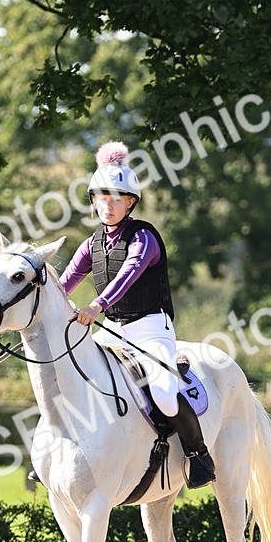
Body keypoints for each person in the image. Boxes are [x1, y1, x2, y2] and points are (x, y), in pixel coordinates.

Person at [58, 141, 216, 489]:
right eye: (103, 198)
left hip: (150, 329)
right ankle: (56, 453)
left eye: (117, 199)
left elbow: (128, 276)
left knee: (162, 395)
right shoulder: (91, 244)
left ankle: (198, 454)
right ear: (93, 201)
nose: (109, 206)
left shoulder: (143, 238)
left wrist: (94, 306)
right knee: (71, 373)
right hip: (112, 328)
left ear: (131, 202)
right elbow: (66, 281)